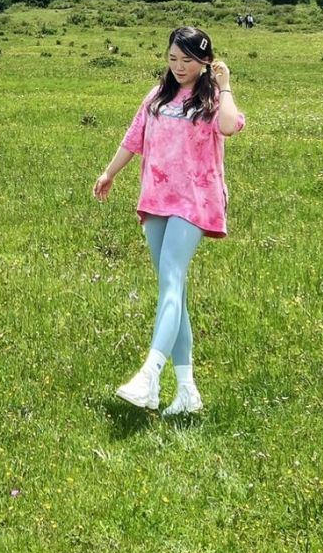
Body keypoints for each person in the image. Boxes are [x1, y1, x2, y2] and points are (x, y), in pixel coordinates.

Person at [92, 25, 245, 416]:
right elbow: (133, 138)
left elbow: (229, 126)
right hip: (156, 198)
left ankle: (149, 375)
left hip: (195, 200)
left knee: (172, 280)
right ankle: (187, 390)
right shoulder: (157, 97)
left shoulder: (211, 99)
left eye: (188, 60)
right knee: (170, 292)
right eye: (173, 58)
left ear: (204, 61)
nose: (179, 66)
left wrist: (225, 84)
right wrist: (110, 174)